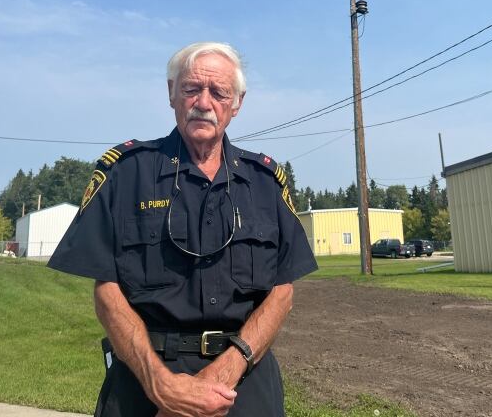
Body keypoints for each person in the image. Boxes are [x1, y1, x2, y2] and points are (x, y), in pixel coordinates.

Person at [48, 42, 318, 417]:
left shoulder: (266, 182)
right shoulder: (125, 173)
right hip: (145, 383)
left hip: (244, 381)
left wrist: (224, 372)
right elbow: (106, 290)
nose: (203, 102)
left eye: (219, 92)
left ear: (236, 103)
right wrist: (161, 385)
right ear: (171, 93)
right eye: (191, 89)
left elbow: (282, 292)